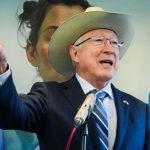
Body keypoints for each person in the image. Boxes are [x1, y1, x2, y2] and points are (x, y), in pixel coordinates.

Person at [0, 6, 149, 150]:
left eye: (114, 42)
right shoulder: (49, 96)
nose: (109, 49)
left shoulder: (141, 111)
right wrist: (2, 72)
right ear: (75, 54)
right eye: (98, 40)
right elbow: (10, 115)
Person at [0, 0, 91, 149]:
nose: (70, 49)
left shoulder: (125, 119)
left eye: (80, 39)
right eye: (54, 37)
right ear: (32, 53)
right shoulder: (5, 129)